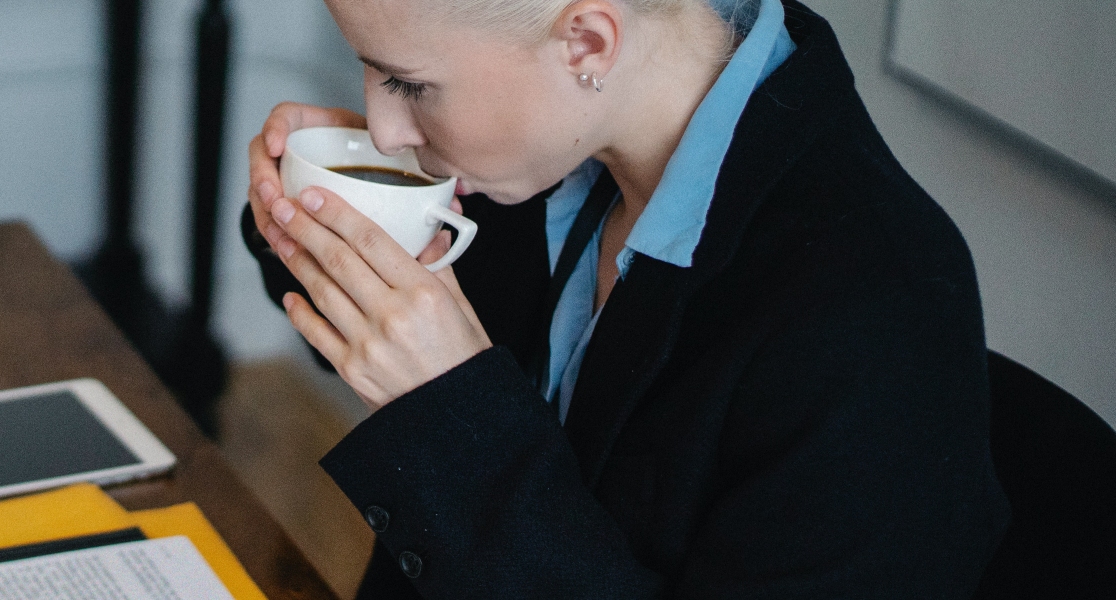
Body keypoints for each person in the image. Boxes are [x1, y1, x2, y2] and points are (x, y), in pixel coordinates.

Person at [239, 0, 1008, 597]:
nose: (384, 126)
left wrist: (454, 416)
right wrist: (316, 204)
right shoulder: (549, 151)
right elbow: (390, 339)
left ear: (588, 43)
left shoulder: (877, 321)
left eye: (410, 83)